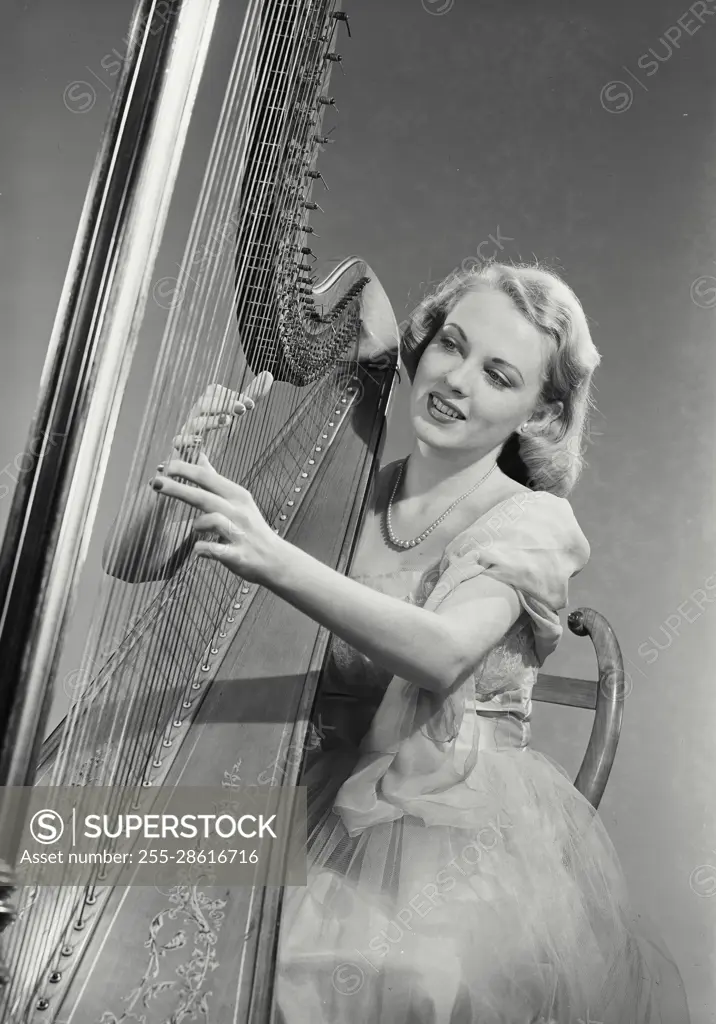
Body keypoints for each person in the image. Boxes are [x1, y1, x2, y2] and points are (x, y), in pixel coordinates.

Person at [145, 261, 690, 1023]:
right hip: (302, 798)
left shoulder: (531, 525)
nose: (457, 380)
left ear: (537, 414)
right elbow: (135, 563)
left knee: (318, 972)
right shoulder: (343, 493)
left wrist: (269, 552)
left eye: (498, 375)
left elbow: (442, 653)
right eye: (450, 346)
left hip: (441, 834)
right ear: (419, 346)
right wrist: (180, 468)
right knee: (59, 844)